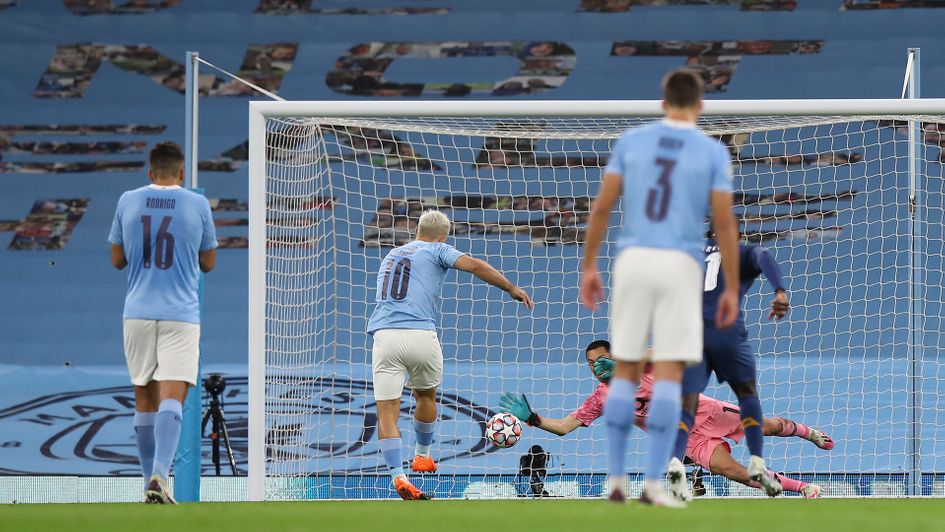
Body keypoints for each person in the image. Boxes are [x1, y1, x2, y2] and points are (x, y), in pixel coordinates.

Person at [579, 68, 741, 507]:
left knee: (625, 371)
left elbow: (602, 207)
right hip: (677, 264)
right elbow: (724, 221)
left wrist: (589, 264)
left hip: (632, 261)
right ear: (700, 106)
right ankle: (652, 483)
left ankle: (616, 480)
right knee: (668, 376)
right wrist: (728, 286)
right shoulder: (710, 151)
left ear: (662, 102)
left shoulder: (632, 141)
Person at [499, 341, 833, 498]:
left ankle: (808, 432)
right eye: (590, 362)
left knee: (767, 426)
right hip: (687, 437)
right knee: (730, 471)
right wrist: (532, 417)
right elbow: (564, 427)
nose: (596, 365)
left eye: (602, 359)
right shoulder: (602, 398)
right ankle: (801, 488)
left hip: (703, 410)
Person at [367, 210, 533, 500]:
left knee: (387, 413)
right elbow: (474, 265)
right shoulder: (439, 248)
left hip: (385, 336)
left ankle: (398, 476)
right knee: (426, 397)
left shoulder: (391, 254)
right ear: (443, 236)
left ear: (417, 230)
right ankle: (423, 455)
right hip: (421, 335)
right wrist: (511, 287)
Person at [108, 141, 217, 504]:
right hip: (181, 314)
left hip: (136, 312)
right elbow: (209, 262)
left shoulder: (128, 199)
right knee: (174, 396)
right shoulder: (197, 203)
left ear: (150, 172)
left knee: (144, 399)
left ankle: (148, 484)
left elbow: (117, 259)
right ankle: (161, 475)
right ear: (182, 173)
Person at [667, 226, 797, 501]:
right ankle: (757, 461)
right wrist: (780, 291)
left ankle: (676, 462)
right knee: (747, 394)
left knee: (688, 401)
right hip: (726, 332)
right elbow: (764, 255)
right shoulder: (741, 251)